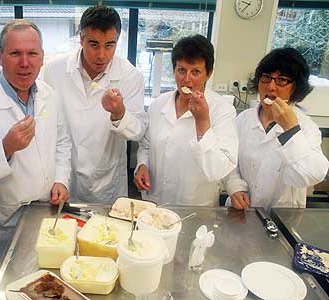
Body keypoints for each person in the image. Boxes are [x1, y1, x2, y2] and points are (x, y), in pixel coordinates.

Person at [0, 20, 71, 242]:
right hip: (7, 221)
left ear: (42, 57)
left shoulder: (49, 96)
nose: (25, 63)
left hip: (47, 210)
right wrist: (5, 148)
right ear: (0, 56)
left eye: (32, 54)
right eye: (15, 53)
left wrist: (61, 180)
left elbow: (62, 143)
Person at [43, 5, 147, 203]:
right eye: (93, 44)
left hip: (106, 182)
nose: (101, 55)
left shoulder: (130, 76)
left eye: (109, 45)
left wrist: (120, 113)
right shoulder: (54, 71)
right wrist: (58, 176)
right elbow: (49, 125)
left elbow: (138, 131)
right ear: (81, 39)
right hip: (64, 177)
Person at [134, 35, 238, 206]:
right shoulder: (158, 104)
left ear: (209, 74)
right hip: (156, 202)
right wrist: (142, 165)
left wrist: (203, 123)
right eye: (181, 70)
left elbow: (220, 169)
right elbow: (146, 145)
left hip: (195, 207)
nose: (186, 79)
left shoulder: (222, 111)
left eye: (195, 72)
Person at [223, 48, 329, 212]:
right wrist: (235, 187)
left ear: (296, 87)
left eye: (281, 80)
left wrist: (290, 130)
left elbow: (312, 175)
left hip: (282, 218)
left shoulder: (307, 127)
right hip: (243, 211)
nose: (270, 87)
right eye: (266, 78)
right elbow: (230, 161)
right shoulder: (243, 119)